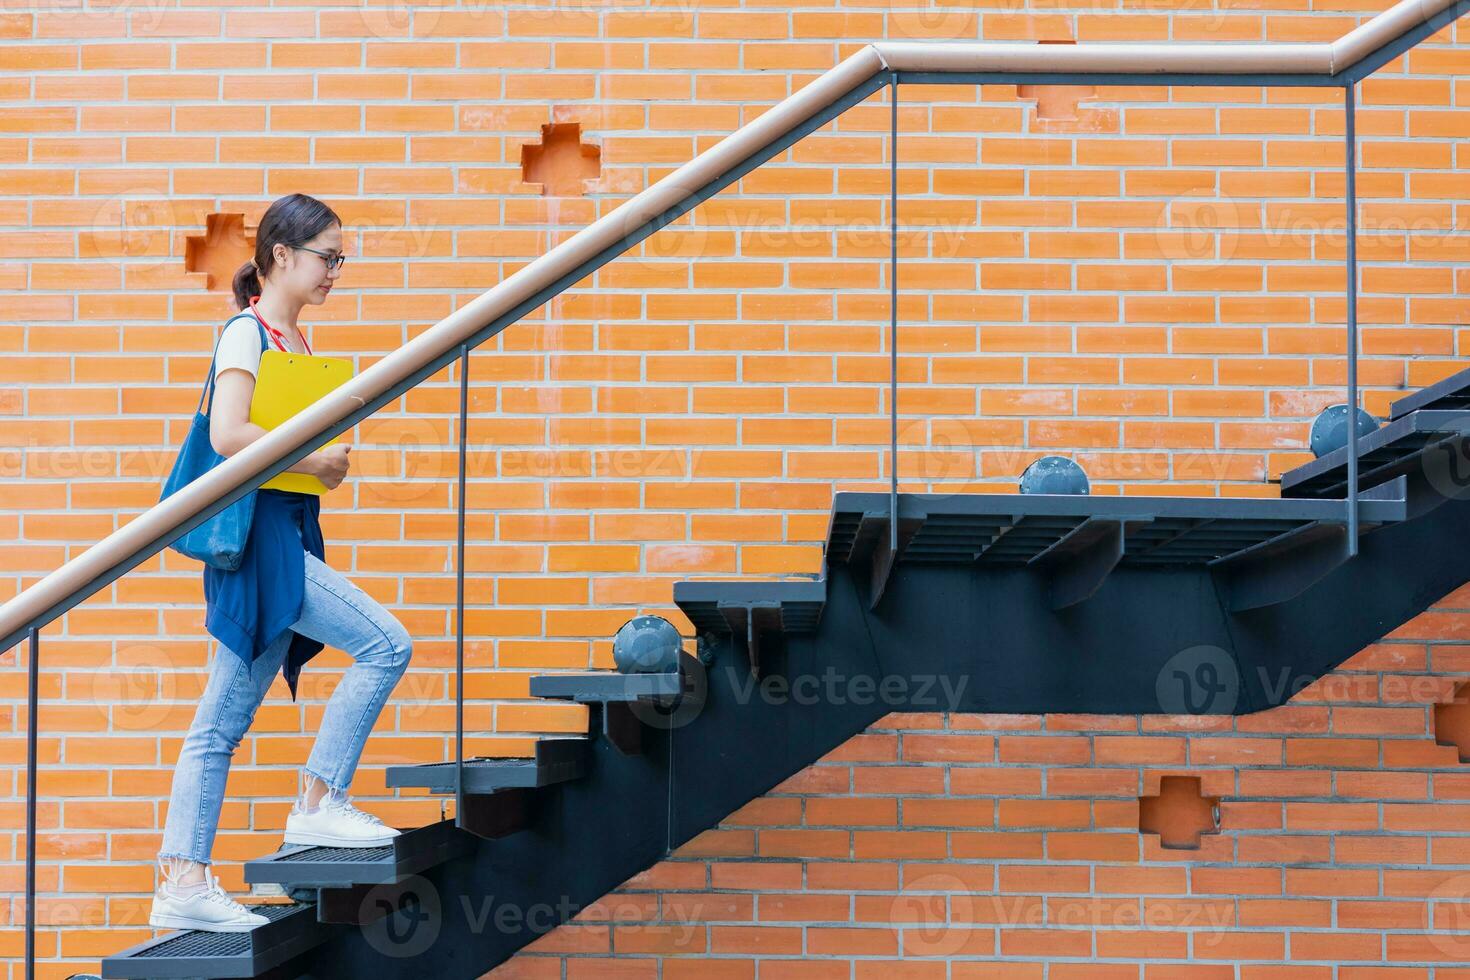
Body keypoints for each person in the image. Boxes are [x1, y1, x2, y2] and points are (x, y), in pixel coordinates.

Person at [149, 193, 415, 933]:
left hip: (286, 530)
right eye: (327, 256)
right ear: (279, 257)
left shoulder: (296, 344)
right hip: (261, 542)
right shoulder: (246, 333)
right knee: (386, 643)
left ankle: (183, 878)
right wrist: (314, 456)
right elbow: (233, 433)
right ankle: (319, 803)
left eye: (341, 258)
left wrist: (322, 468)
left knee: (219, 724)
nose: (336, 270)